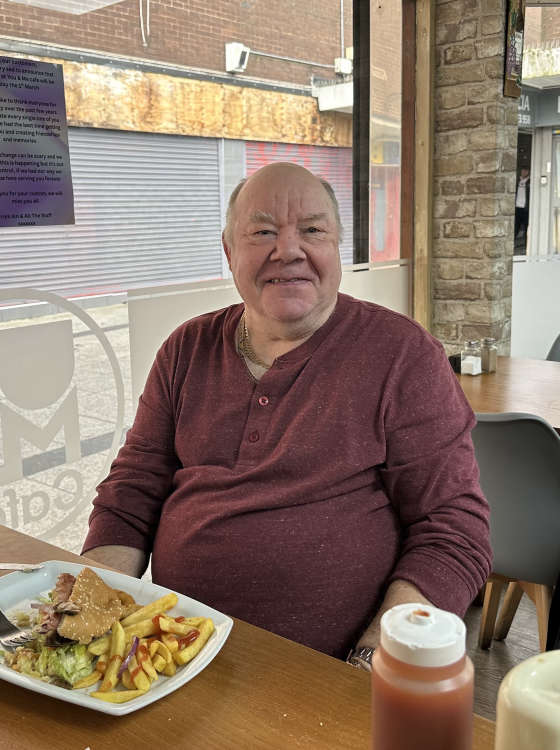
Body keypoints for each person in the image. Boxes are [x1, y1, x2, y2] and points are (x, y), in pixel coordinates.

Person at [82, 162, 492, 666]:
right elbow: (132, 493)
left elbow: (453, 529)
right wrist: (87, 614)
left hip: (334, 669)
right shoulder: (186, 348)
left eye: (313, 231)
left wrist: (373, 664)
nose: (289, 250)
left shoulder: (403, 354)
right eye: (262, 232)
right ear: (229, 251)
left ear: (337, 247)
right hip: (174, 656)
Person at [515, 167, 530, 247]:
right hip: (517, 207)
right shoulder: (517, 180)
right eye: (522, 171)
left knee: (527, 226)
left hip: (525, 208)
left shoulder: (529, 181)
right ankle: (513, 243)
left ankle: (527, 245)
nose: (524, 172)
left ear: (528, 172)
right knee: (515, 226)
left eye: (525, 171)